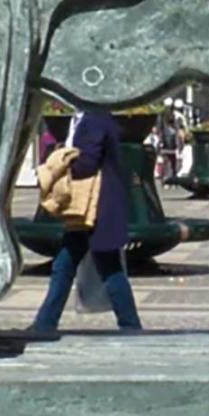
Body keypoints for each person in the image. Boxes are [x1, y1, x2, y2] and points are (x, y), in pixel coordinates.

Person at [31, 109, 142, 333]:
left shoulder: (95, 118)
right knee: (65, 264)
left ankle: (130, 325)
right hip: (86, 210)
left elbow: (87, 162)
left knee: (109, 267)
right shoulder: (84, 118)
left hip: (98, 207)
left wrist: (59, 163)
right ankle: (45, 323)